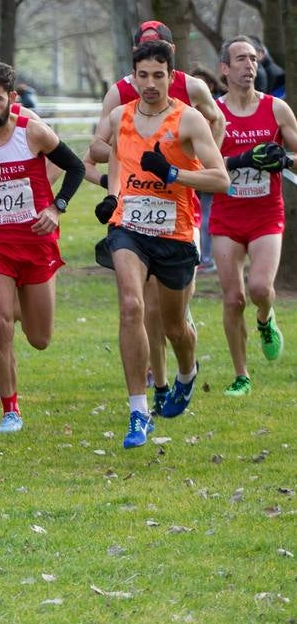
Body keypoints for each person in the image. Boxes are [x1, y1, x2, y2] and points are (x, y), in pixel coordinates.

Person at [92, 39, 228, 448]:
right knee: (132, 306)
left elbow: (220, 179)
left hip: (175, 232)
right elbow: (97, 148)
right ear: (133, 77)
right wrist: (112, 189)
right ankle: (138, 412)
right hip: (129, 228)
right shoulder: (120, 115)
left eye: (158, 75)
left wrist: (172, 174)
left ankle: (187, 372)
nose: (150, 83)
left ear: (172, 77)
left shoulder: (188, 121)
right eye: (143, 75)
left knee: (174, 327)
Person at [0, 61, 87, 432]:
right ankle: (10, 408)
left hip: (36, 241)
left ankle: (17, 300)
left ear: (12, 99)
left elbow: (76, 167)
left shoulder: (32, 132)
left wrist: (57, 207)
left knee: (39, 338)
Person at [210, 37, 297, 394]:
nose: (250, 66)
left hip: (265, 213)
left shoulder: (276, 109)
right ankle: (241, 375)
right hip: (227, 215)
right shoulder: (213, 114)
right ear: (224, 69)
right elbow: (204, 163)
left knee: (260, 288)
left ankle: (265, 318)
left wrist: (286, 160)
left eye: (253, 59)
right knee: (233, 298)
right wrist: (241, 161)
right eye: (240, 59)